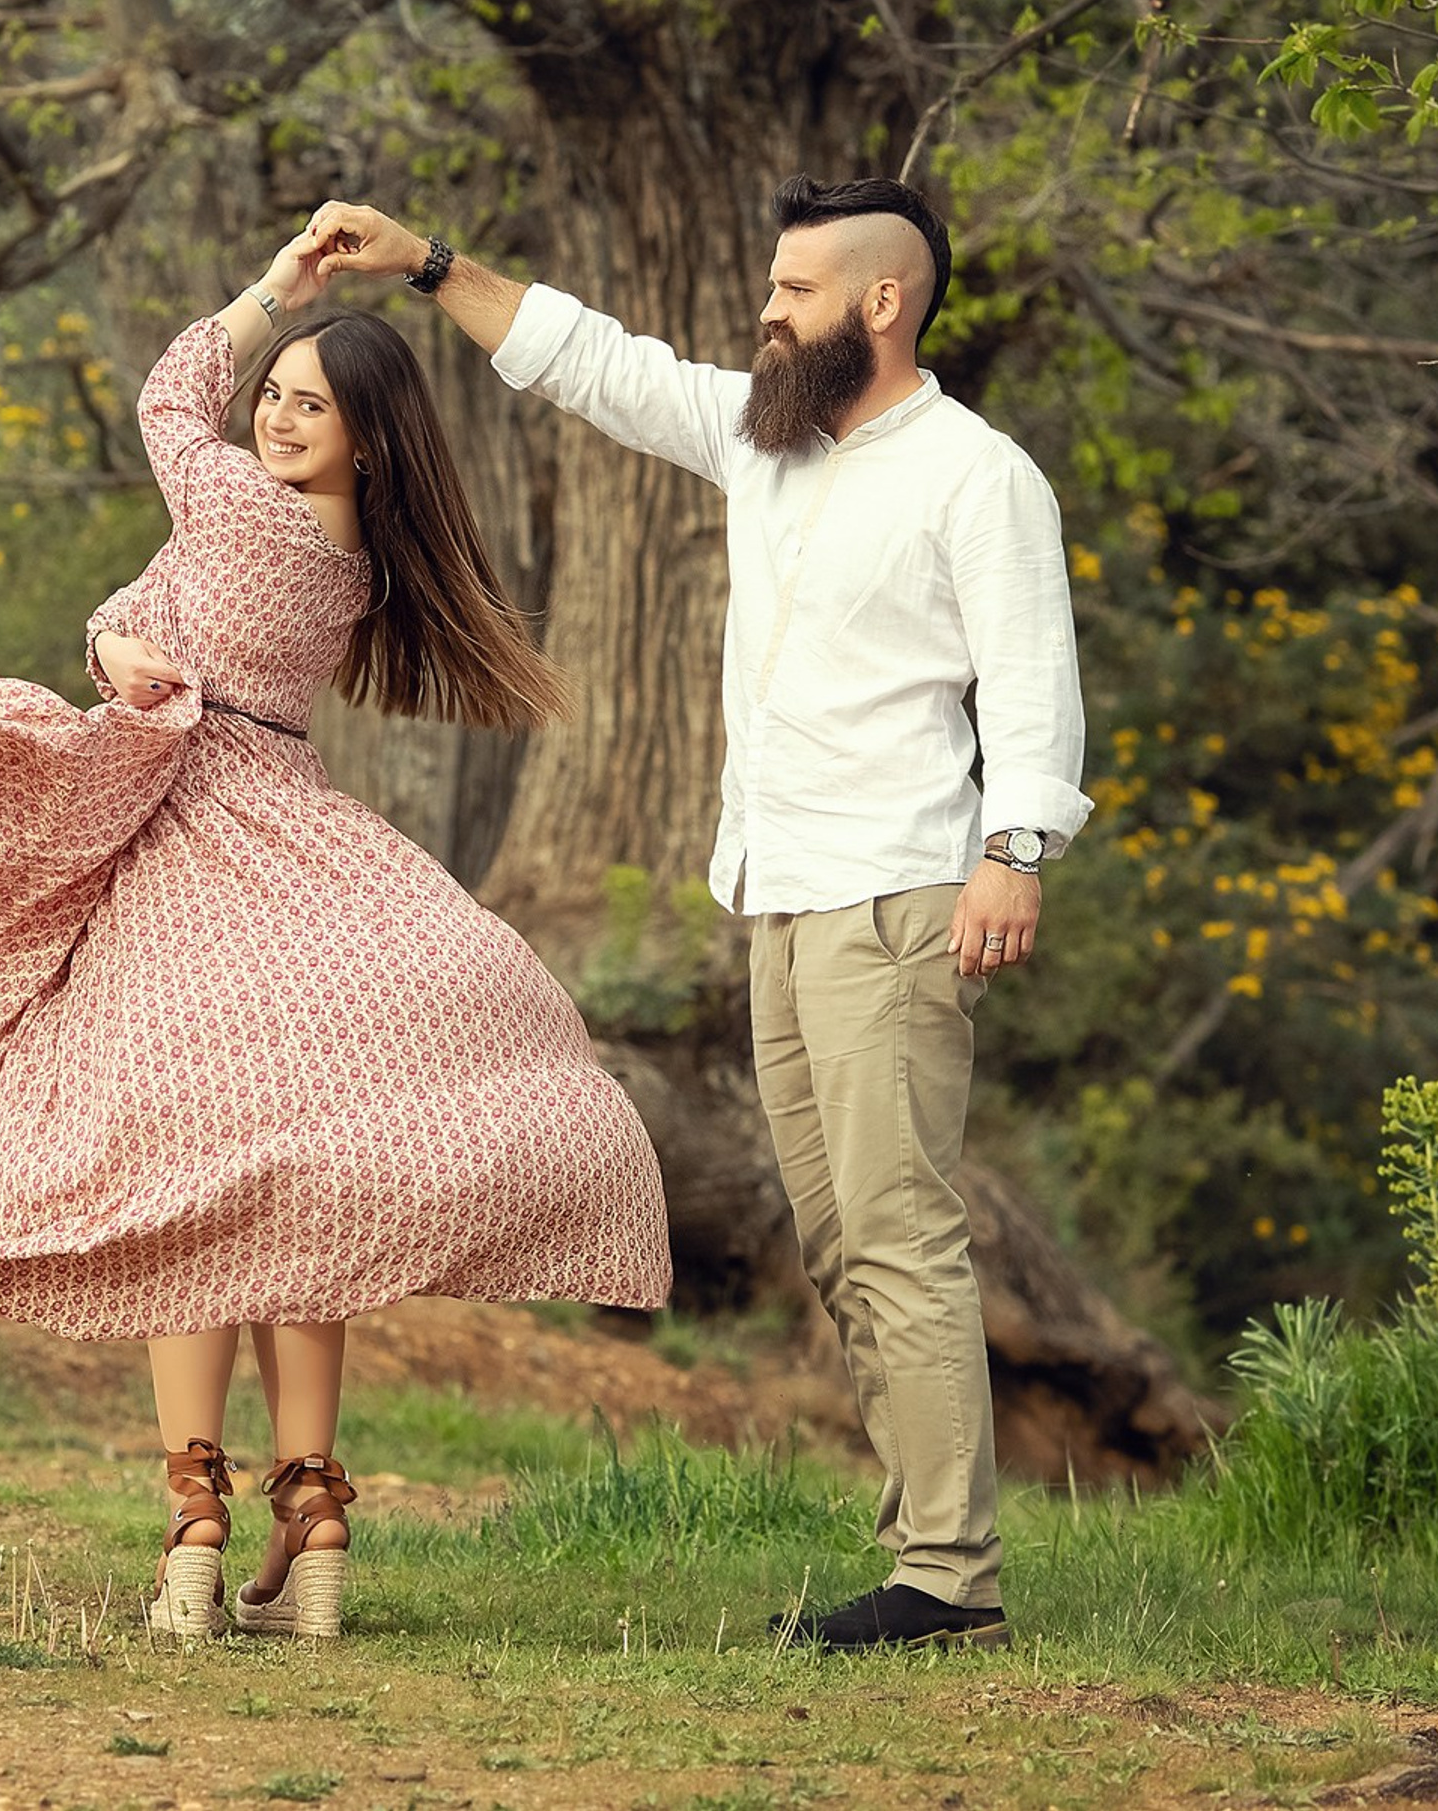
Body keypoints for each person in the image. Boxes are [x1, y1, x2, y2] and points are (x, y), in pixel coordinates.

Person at [0, 230, 672, 1644]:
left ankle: (193, 1535)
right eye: (273, 390)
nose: (272, 411)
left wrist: (280, 290)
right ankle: (315, 1525)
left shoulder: (231, 504)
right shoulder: (346, 562)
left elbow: (169, 391)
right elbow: (157, 609)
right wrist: (115, 651)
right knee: (289, 1217)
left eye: (307, 403)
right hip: (288, 823)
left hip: (194, 848)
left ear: (371, 446)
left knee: (177, 1195)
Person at [306, 179, 1092, 1654]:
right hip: (782, 894)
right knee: (839, 1240)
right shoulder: (771, 444)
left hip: (901, 891)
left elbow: (1035, 683)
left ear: (882, 303)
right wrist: (428, 263)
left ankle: (948, 1581)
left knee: (900, 1230)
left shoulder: (979, 476)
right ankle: (921, 1551)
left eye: (794, 291)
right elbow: (597, 361)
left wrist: (1017, 850)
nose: (765, 312)